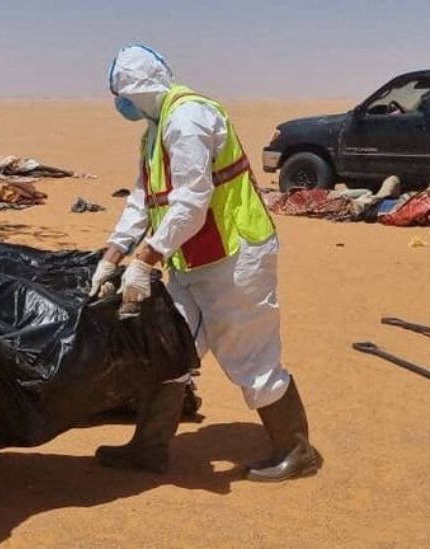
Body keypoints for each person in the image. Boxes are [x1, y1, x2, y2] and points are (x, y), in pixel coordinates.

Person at [90, 45, 321, 482]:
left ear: (136, 90)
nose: (119, 104)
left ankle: (295, 449)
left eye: (120, 94)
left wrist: (145, 259)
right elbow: (144, 197)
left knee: (248, 353)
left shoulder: (188, 119)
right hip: (190, 258)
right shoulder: (155, 131)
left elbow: (192, 202)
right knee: (169, 346)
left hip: (234, 256)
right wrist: (113, 253)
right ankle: (149, 448)